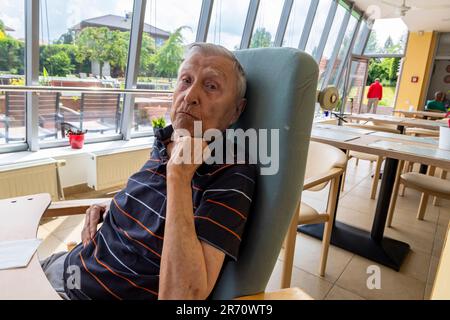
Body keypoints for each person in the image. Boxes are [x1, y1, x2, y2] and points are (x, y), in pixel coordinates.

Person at [40, 43, 257, 300]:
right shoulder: (166, 140)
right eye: (186, 80)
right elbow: (155, 207)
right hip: (68, 266)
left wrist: (179, 176)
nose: (189, 96)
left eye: (211, 86)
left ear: (236, 110)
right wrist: (114, 207)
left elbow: (183, 296)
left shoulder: (231, 173)